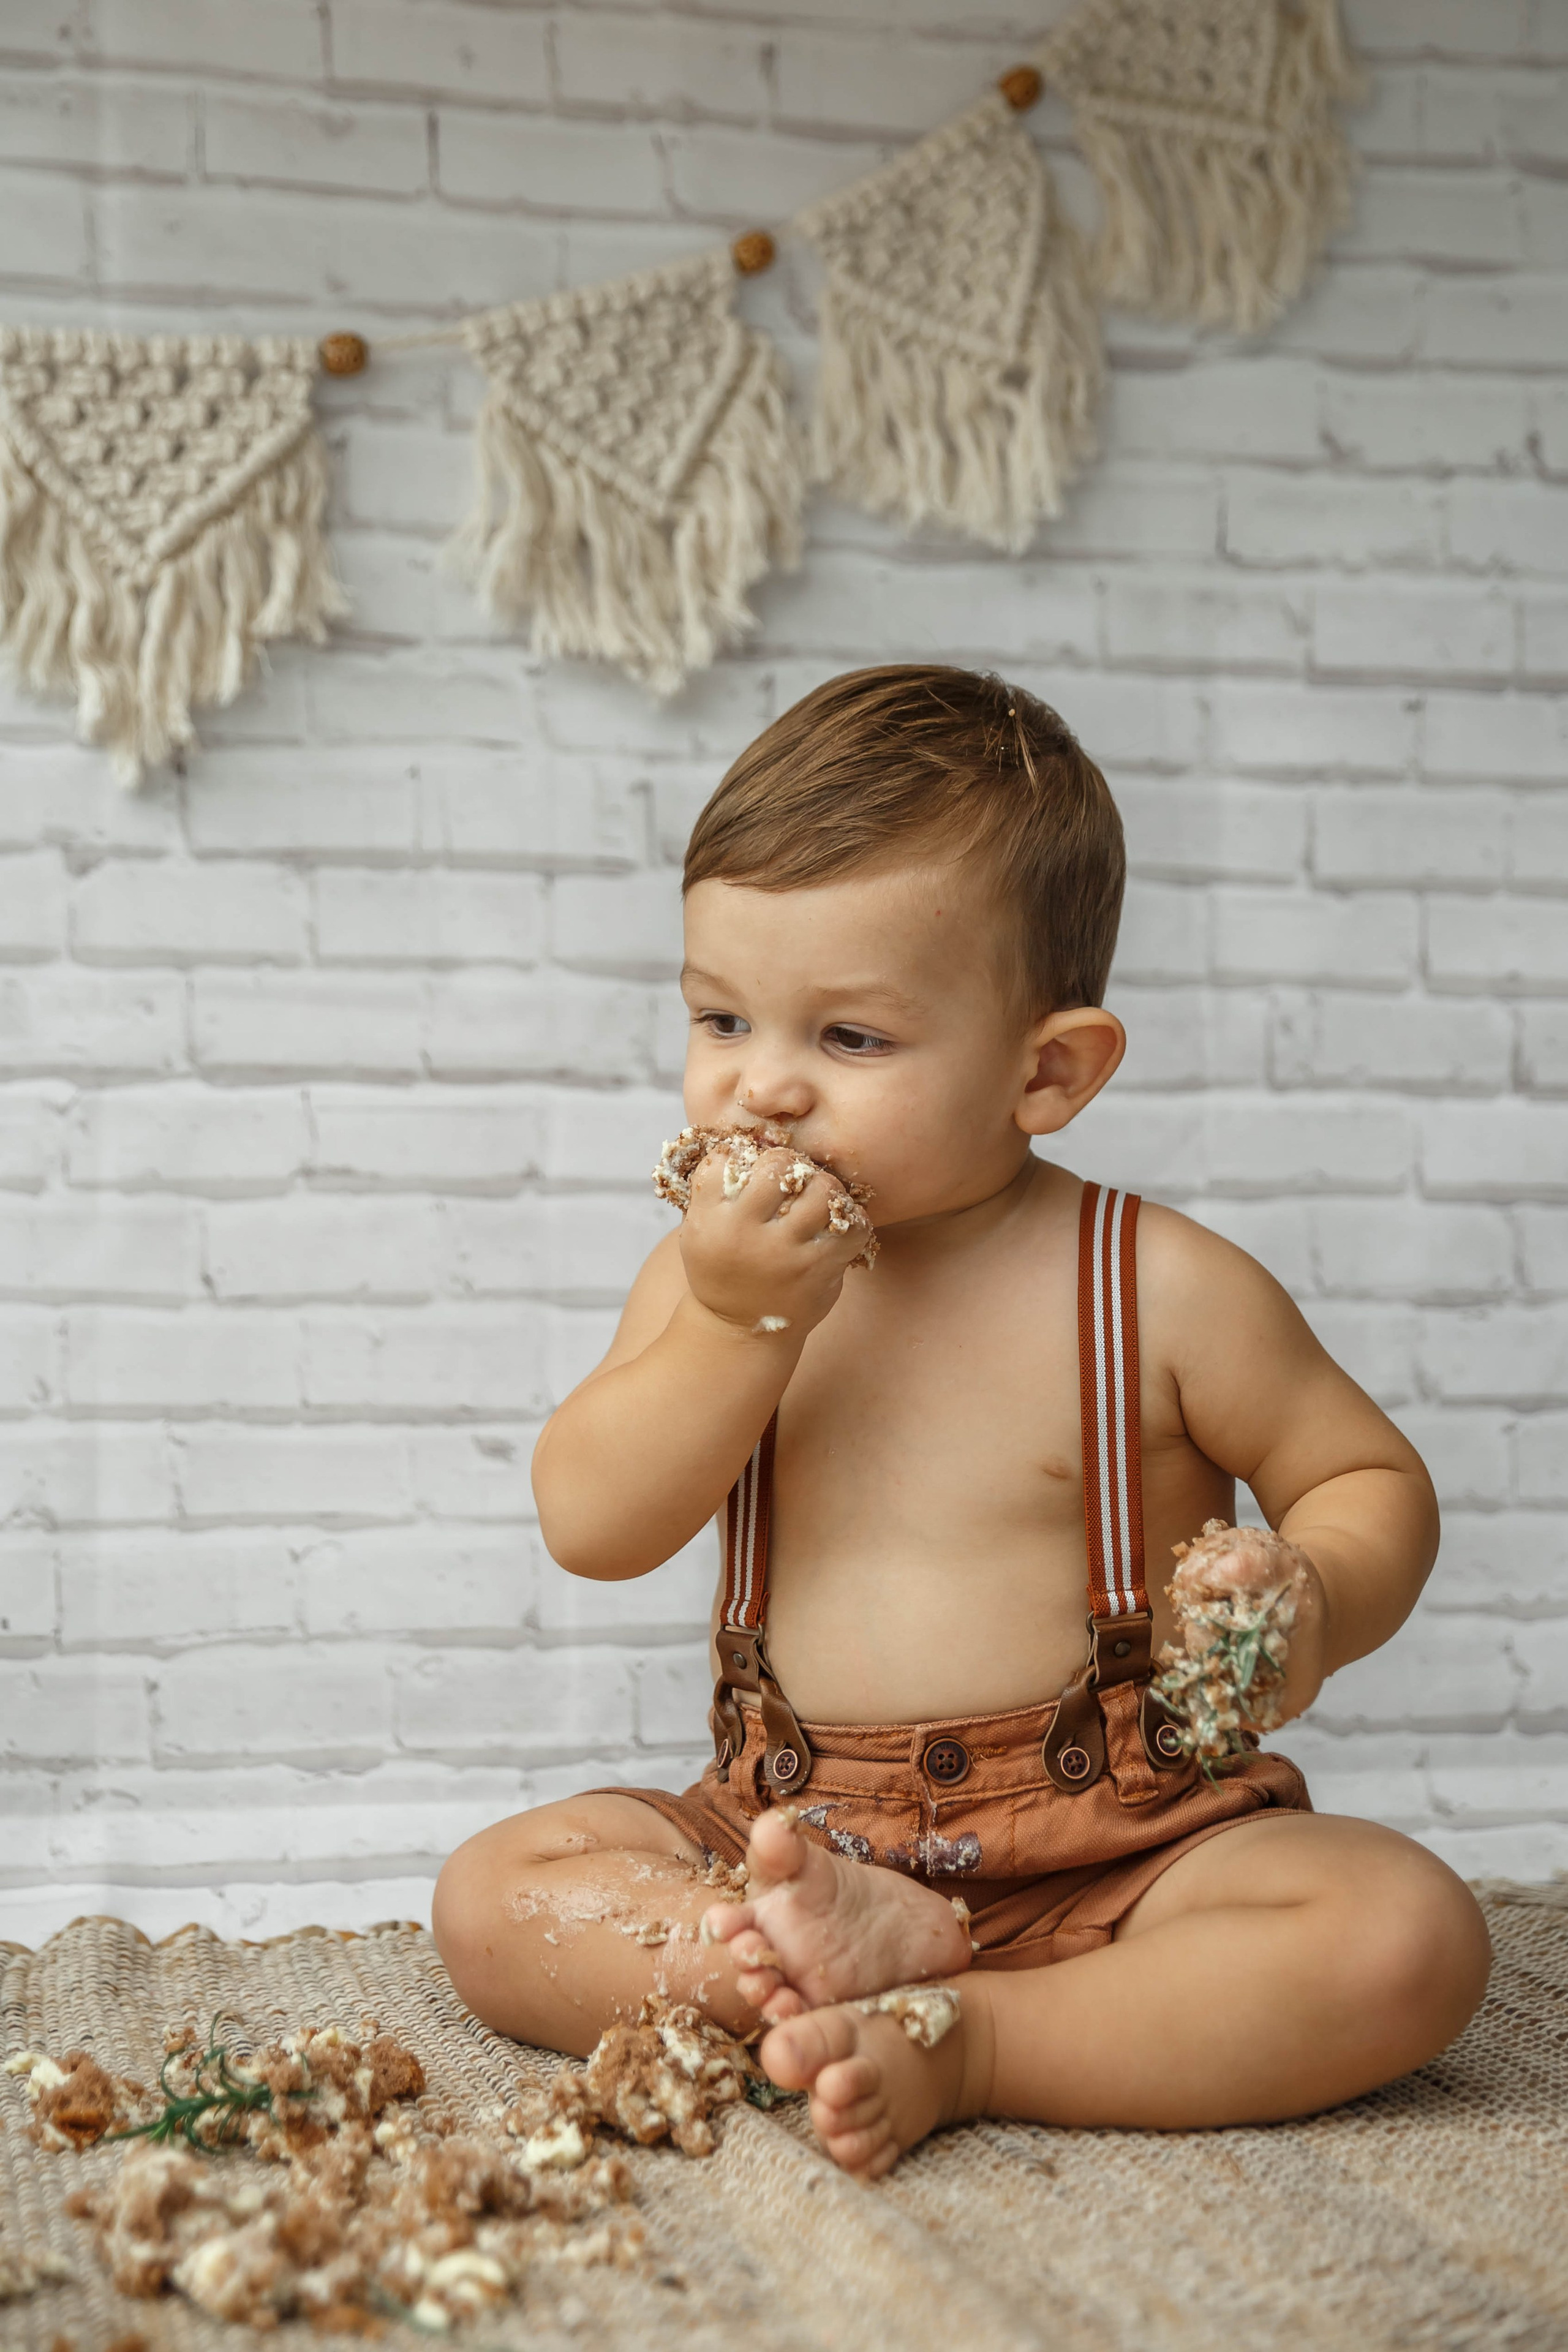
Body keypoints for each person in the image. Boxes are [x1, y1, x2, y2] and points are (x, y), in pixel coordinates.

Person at [432, 665, 1490, 2181]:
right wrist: (738, 1324)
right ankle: (782, 1960)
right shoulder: (705, 1283)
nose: (764, 1089)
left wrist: (1306, 1600)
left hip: (1124, 1849)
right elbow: (593, 1526)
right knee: (494, 1896)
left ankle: (979, 2037)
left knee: (1402, 1938)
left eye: (849, 1039)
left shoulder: (1156, 1284)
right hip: (791, 1831)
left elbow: (1361, 1473)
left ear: (1043, 1070)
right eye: (721, 1017)